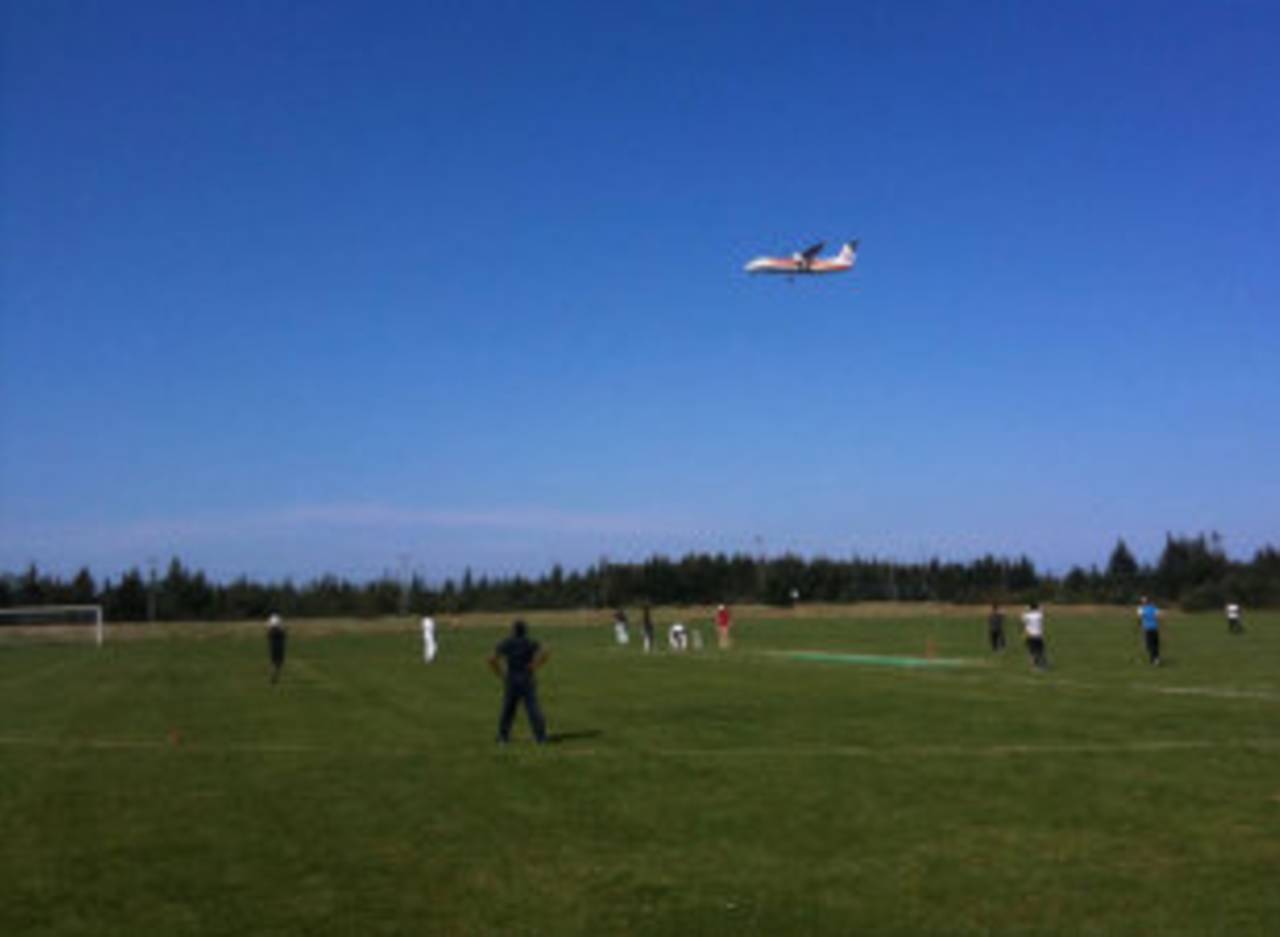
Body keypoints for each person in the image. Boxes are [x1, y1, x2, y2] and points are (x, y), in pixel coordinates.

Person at [489, 620, 549, 744]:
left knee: (508, 709)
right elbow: (545, 651)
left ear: (513, 630)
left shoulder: (507, 643)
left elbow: (491, 659)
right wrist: (535, 665)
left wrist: (500, 673)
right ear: (525, 631)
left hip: (511, 678)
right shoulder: (530, 642)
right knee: (533, 708)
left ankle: (503, 737)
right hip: (527, 678)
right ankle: (541, 737)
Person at [1022, 601, 1048, 670]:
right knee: (1040, 650)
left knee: (1031, 652)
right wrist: (1039, 608)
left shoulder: (1026, 615)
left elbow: (1023, 620)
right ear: (1037, 608)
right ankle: (1042, 664)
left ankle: (1033, 666)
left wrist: (1026, 609)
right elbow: (1042, 611)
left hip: (1030, 635)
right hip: (1039, 635)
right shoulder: (1039, 615)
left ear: (1030, 608)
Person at [1137, 597, 1161, 665]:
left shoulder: (1141, 609)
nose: (1142, 603)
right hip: (1154, 628)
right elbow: (1158, 616)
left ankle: (1155, 659)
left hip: (1148, 629)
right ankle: (1155, 658)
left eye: (1142, 602)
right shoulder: (1153, 608)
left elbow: (1140, 617)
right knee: (1155, 645)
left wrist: (1140, 625)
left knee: (1150, 645)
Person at [266, 613, 286, 684]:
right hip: (279, 647)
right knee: (278, 663)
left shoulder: (271, 632)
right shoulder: (280, 632)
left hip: (274, 647)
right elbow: (283, 634)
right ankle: (275, 676)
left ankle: (273, 676)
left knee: (274, 662)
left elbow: (269, 635)